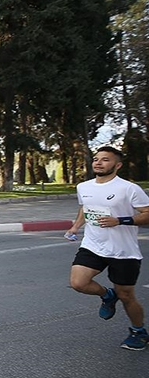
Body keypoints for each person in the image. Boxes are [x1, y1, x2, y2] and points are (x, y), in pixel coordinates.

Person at [65, 146, 149, 351]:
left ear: (117, 165)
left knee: (126, 295)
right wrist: (76, 227)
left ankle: (139, 331)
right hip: (93, 245)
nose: (98, 163)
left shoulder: (129, 188)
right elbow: (85, 208)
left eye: (105, 160)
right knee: (78, 283)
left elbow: (147, 213)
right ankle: (106, 295)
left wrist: (120, 220)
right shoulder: (83, 187)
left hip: (123, 251)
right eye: (96, 159)